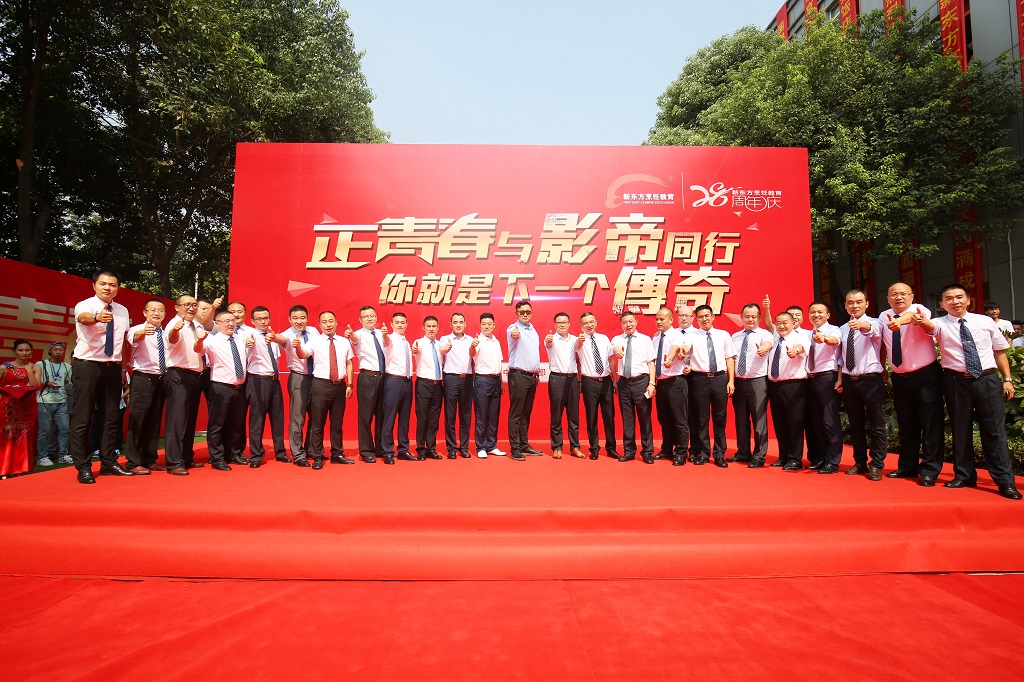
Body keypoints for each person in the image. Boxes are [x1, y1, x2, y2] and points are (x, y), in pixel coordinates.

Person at [919, 285, 1021, 500]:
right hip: (956, 381)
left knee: (994, 431)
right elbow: (928, 326)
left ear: (968, 300)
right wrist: (919, 319)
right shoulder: (940, 323)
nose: (955, 301)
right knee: (960, 430)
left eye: (959, 297)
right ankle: (964, 475)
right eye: (949, 298)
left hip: (987, 379)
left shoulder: (985, 321)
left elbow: (999, 351)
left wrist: (1007, 380)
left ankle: (1005, 481)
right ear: (941, 304)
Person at [69, 271, 134, 484]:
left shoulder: (122, 310)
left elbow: (121, 342)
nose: (108, 288)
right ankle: (83, 466)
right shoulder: (85, 305)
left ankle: (108, 462)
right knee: (83, 417)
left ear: (118, 288)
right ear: (94, 285)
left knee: (111, 417)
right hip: (87, 365)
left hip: (112, 368)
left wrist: (123, 369)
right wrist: (97, 317)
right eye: (103, 284)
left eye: (112, 285)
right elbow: (83, 318)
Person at [878, 283, 944, 485]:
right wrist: (882, 367)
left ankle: (930, 469)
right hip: (900, 377)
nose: (898, 297)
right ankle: (907, 466)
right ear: (888, 298)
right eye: (893, 294)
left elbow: (912, 317)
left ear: (912, 296)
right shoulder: (883, 316)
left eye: (903, 294)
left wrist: (899, 322)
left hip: (925, 376)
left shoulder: (920, 310)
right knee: (907, 424)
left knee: (930, 424)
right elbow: (884, 343)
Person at [836, 290, 887, 481]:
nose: (854, 306)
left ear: (867, 303)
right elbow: (841, 357)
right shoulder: (842, 329)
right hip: (850, 380)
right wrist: (840, 379)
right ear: (845, 305)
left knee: (876, 424)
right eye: (850, 302)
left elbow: (870, 328)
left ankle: (876, 464)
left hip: (870, 380)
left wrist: (861, 325)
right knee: (856, 424)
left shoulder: (876, 323)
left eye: (859, 302)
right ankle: (860, 462)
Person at [195, 311, 253, 470]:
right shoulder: (212, 340)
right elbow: (198, 349)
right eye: (226, 321)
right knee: (217, 424)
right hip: (221, 387)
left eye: (233, 320)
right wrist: (199, 340)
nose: (230, 324)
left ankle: (233, 453)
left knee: (236, 423)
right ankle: (217, 458)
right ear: (217, 323)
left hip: (239, 387)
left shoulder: (240, 339)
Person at [299, 311, 354, 469]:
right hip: (320, 385)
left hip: (340, 385)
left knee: (337, 423)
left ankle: (337, 453)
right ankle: (317, 456)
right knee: (318, 422)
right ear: (319, 324)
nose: (328, 324)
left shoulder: (344, 341)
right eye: (324, 322)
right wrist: (297, 347)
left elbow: (349, 363)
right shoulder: (315, 341)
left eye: (331, 321)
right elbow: (303, 354)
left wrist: (350, 384)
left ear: (336, 322)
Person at [687, 305, 736, 467]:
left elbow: (730, 358)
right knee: (701, 419)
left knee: (720, 417)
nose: (704, 319)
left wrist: (731, 380)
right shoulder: (691, 336)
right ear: (696, 319)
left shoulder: (723, 335)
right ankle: (703, 453)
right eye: (700, 317)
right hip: (699, 379)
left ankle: (720, 454)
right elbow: (685, 354)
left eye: (707, 315)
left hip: (720, 379)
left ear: (713, 316)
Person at [164, 295, 208, 475]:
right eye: (187, 305)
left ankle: (186, 457)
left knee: (189, 420)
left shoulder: (196, 325)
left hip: (195, 375)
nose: (191, 308)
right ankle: (174, 462)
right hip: (178, 375)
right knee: (177, 420)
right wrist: (176, 329)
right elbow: (172, 338)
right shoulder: (174, 324)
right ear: (177, 307)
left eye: (194, 305)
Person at [124, 299, 169, 474]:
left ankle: (150, 459)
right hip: (143, 378)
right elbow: (134, 338)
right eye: (153, 310)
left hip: (161, 379)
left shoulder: (166, 334)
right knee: (138, 420)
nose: (157, 313)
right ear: (145, 313)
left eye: (160, 310)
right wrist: (143, 332)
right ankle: (133, 462)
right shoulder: (136, 329)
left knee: (154, 421)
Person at [729, 304, 773, 468]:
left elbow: (768, 343)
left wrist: (763, 349)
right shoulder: (735, 336)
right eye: (747, 316)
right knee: (741, 420)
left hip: (757, 381)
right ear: (741, 318)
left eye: (754, 316)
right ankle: (743, 452)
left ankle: (759, 456)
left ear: (759, 317)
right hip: (739, 382)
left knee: (759, 420)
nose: (750, 319)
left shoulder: (764, 334)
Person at [273, 305, 318, 464]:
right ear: (289, 319)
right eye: (295, 318)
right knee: (297, 417)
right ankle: (298, 454)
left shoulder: (314, 331)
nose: (299, 321)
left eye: (302, 318)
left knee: (316, 416)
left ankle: (311, 449)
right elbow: (280, 339)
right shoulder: (287, 334)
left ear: (307, 318)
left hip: (316, 378)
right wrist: (273, 336)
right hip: (299, 378)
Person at [245, 306, 288, 468]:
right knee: (257, 419)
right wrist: (248, 343)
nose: (263, 321)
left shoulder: (273, 336)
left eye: (266, 318)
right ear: (253, 321)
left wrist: (274, 338)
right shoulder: (250, 336)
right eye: (259, 319)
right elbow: (246, 345)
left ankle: (280, 452)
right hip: (258, 380)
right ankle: (256, 455)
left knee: (277, 418)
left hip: (274, 380)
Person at [611, 312, 656, 464]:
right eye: (625, 322)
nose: (628, 325)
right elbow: (615, 347)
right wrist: (617, 350)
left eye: (631, 321)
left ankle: (647, 451)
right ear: (621, 324)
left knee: (645, 418)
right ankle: (629, 451)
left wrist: (652, 383)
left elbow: (651, 363)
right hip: (624, 383)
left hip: (641, 381)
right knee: (627, 419)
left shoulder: (645, 339)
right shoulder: (617, 339)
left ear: (636, 322)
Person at [766, 312, 809, 470]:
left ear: (793, 323)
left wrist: (795, 351)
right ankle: (783, 456)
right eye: (778, 323)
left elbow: (800, 347)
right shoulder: (775, 340)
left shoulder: (800, 338)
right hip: (775, 386)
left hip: (794, 386)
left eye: (785, 322)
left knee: (794, 423)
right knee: (780, 423)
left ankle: (795, 459)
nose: (781, 326)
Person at [804, 302, 843, 474]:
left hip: (827, 378)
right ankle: (820, 458)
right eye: (813, 312)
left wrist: (824, 339)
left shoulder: (834, 330)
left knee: (829, 421)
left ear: (828, 315)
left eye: (820, 312)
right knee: (816, 422)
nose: (816, 315)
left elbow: (835, 341)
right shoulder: (807, 334)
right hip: (811, 379)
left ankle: (832, 461)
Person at [348, 305, 389, 464]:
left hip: (384, 377)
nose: (369, 319)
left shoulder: (381, 333)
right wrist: (351, 335)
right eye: (366, 316)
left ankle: (380, 448)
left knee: (382, 415)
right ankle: (366, 451)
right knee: (365, 416)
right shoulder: (358, 335)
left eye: (372, 316)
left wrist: (386, 336)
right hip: (368, 378)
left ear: (376, 317)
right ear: (360, 319)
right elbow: (354, 339)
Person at [652, 307, 690, 466]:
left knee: (680, 420)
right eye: (657, 319)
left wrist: (670, 359)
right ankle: (667, 450)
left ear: (671, 320)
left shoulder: (677, 335)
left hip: (676, 382)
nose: (659, 322)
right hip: (661, 383)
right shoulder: (655, 338)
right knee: (665, 419)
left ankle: (681, 452)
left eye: (662, 319)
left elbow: (675, 347)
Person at [577, 311, 617, 460]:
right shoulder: (579, 340)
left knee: (609, 416)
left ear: (596, 323)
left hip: (606, 381)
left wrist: (614, 380)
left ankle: (611, 448)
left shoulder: (604, 338)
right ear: (581, 326)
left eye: (591, 322)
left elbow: (611, 360)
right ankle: (594, 448)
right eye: (585, 323)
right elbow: (577, 359)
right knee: (591, 416)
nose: (589, 325)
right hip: (589, 382)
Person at [507, 300, 543, 461]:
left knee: (525, 413)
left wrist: (536, 374)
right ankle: (514, 448)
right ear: (516, 314)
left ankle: (524, 445)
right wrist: (515, 334)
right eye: (522, 312)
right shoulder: (513, 328)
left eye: (528, 312)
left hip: (531, 377)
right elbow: (513, 334)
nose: (525, 314)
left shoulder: (533, 330)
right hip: (518, 376)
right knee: (516, 413)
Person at [545, 312, 583, 459]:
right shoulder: (551, 339)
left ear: (569, 324)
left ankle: (575, 447)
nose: (562, 325)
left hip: (573, 379)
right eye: (559, 322)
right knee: (556, 415)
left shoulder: (574, 339)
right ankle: (557, 447)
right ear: (555, 325)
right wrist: (548, 340)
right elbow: (548, 343)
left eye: (565, 322)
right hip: (557, 379)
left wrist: (580, 340)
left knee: (574, 415)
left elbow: (578, 346)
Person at [381, 312, 418, 462]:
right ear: (391, 324)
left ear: (406, 324)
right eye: (397, 322)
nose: (400, 325)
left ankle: (403, 449)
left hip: (407, 382)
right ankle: (387, 451)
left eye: (403, 322)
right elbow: (385, 341)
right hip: (394, 381)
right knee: (389, 417)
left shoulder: (406, 342)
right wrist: (384, 335)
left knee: (405, 418)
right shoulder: (390, 339)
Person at [1, 339, 41, 478]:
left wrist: (29, 371)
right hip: (8, 406)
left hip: (27, 406)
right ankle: (5, 469)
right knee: (7, 436)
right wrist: (8, 388)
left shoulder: (35, 367)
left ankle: (21, 469)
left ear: (31, 351)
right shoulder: (4, 368)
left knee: (24, 436)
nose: (24, 353)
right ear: (14, 351)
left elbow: (36, 386)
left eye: (27, 350)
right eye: (20, 350)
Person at [440, 313, 474, 459]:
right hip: (451, 379)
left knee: (465, 415)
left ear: (465, 324)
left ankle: (464, 447)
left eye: (461, 322)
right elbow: (442, 350)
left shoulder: (471, 340)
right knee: (450, 415)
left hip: (467, 379)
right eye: (455, 322)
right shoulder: (445, 339)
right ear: (451, 324)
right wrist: (446, 348)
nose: (458, 325)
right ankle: (452, 447)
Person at [471, 313, 504, 458]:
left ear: (494, 325)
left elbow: (499, 363)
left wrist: (501, 382)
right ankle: (481, 447)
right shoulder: (477, 341)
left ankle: (491, 445)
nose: (487, 326)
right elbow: (471, 353)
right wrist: (472, 346)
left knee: (493, 415)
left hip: (496, 380)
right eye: (484, 324)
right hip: (482, 381)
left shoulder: (496, 341)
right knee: (482, 415)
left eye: (489, 324)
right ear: (480, 325)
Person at [411, 316, 444, 460]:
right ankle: (421, 449)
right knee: (423, 418)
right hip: (423, 384)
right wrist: (415, 350)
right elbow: (415, 350)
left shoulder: (441, 344)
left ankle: (431, 448)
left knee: (434, 419)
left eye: (434, 326)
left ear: (438, 328)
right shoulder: (418, 342)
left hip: (438, 385)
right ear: (423, 328)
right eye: (428, 326)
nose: (431, 329)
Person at [36, 341, 72, 466]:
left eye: (61, 350)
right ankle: (42, 457)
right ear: (50, 351)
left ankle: (63, 455)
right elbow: (35, 382)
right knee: (44, 431)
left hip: (61, 401)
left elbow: (67, 382)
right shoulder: (41, 364)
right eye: (55, 349)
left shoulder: (67, 366)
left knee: (65, 429)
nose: (58, 352)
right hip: (44, 401)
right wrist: (47, 383)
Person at [676, 304, 702, 463]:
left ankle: (695, 449)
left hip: (693, 377)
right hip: (676, 378)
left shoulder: (699, 334)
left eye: (687, 315)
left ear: (693, 318)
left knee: (694, 414)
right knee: (679, 416)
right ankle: (679, 448)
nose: (684, 318)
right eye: (681, 315)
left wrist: (690, 366)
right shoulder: (671, 334)